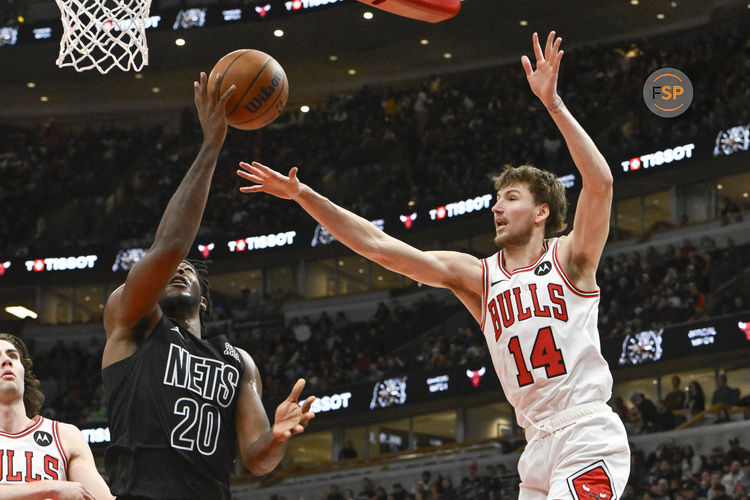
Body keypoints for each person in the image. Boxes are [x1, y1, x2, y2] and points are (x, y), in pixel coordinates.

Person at [238, 31, 630, 500]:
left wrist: (553, 104)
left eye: (510, 198)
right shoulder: (478, 277)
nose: (496, 208)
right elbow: (379, 247)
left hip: (586, 431)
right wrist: (303, 195)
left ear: (542, 211)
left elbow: (601, 183)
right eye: (495, 200)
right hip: (536, 448)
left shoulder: (571, 257)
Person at [101, 73, 315, 500]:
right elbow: (170, 246)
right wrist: (212, 145)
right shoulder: (134, 320)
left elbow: (257, 459)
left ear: (205, 293)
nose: (179, 269)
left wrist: (277, 437)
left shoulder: (237, 360)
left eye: (189, 270)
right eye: (170, 270)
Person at [0, 334, 113, 500]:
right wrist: (48, 487)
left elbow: (101, 498)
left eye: (13, 356)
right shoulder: (51, 486)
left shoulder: (65, 436)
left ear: (24, 373)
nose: (6, 360)